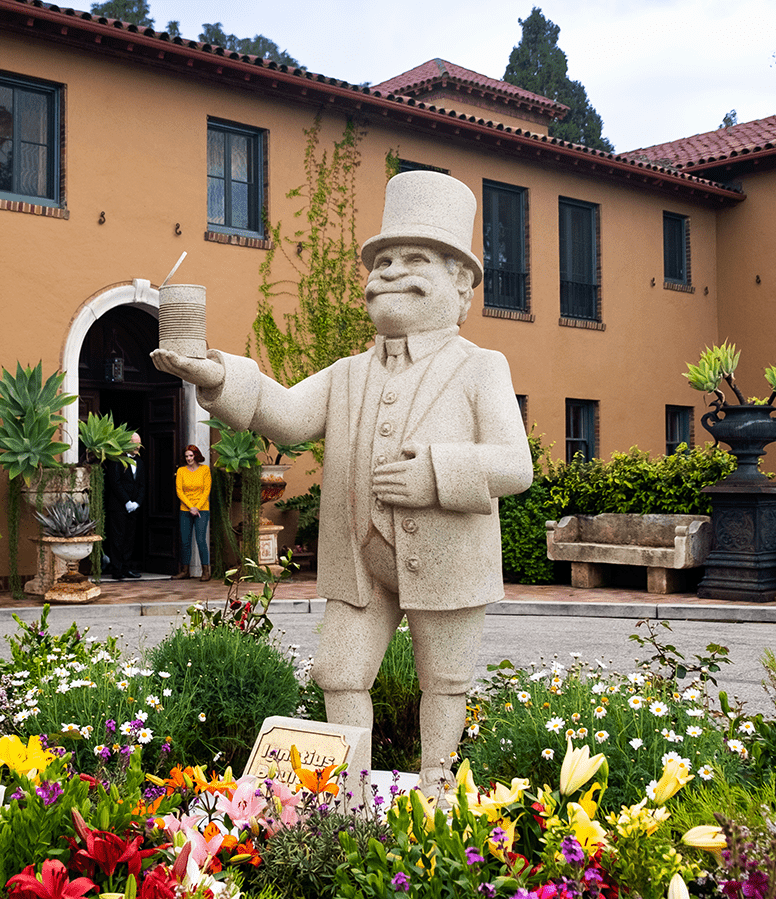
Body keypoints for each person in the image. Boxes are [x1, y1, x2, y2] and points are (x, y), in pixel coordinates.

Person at [150, 170, 533, 791]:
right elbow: (289, 416)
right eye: (380, 260)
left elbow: (516, 466)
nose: (385, 272)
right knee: (339, 672)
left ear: (461, 285)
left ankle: (436, 781)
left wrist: (436, 474)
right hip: (361, 558)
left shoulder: (481, 367)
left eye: (411, 259)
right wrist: (215, 376)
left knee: (446, 679)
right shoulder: (349, 371)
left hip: (448, 557)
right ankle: (345, 792)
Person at [103, 432, 145, 580]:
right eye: (135, 444)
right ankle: (117, 569)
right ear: (128, 443)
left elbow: (141, 484)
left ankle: (127, 567)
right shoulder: (117, 460)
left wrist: (137, 503)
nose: (138, 447)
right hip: (119, 506)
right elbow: (115, 482)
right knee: (118, 537)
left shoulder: (139, 461)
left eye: (139, 444)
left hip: (133, 507)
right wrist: (126, 501)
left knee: (130, 538)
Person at [174, 444, 212, 581]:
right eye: (186, 456)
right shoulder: (181, 471)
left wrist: (197, 507)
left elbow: (206, 490)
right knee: (185, 540)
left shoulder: (205, 470)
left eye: (191, 455)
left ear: (196, 456)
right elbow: (179, 491)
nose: (189, 458)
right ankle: (185, 571)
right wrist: (191, 507)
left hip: (202, 509)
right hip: (185, 509)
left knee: (201, 540)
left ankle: (206, 571)